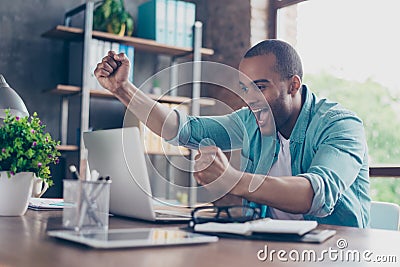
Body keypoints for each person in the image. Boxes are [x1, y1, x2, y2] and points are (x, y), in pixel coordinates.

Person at [94, 39, 370, 227]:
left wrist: (233, 179)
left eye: (260, 87)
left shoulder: (341, 125)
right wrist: (122, 89)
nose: (251, 100)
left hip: (335, 250)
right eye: (245, 89)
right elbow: (185, 129)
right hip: (270, 247)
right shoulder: (251, 120)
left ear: (294, 85)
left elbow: (315, 194)